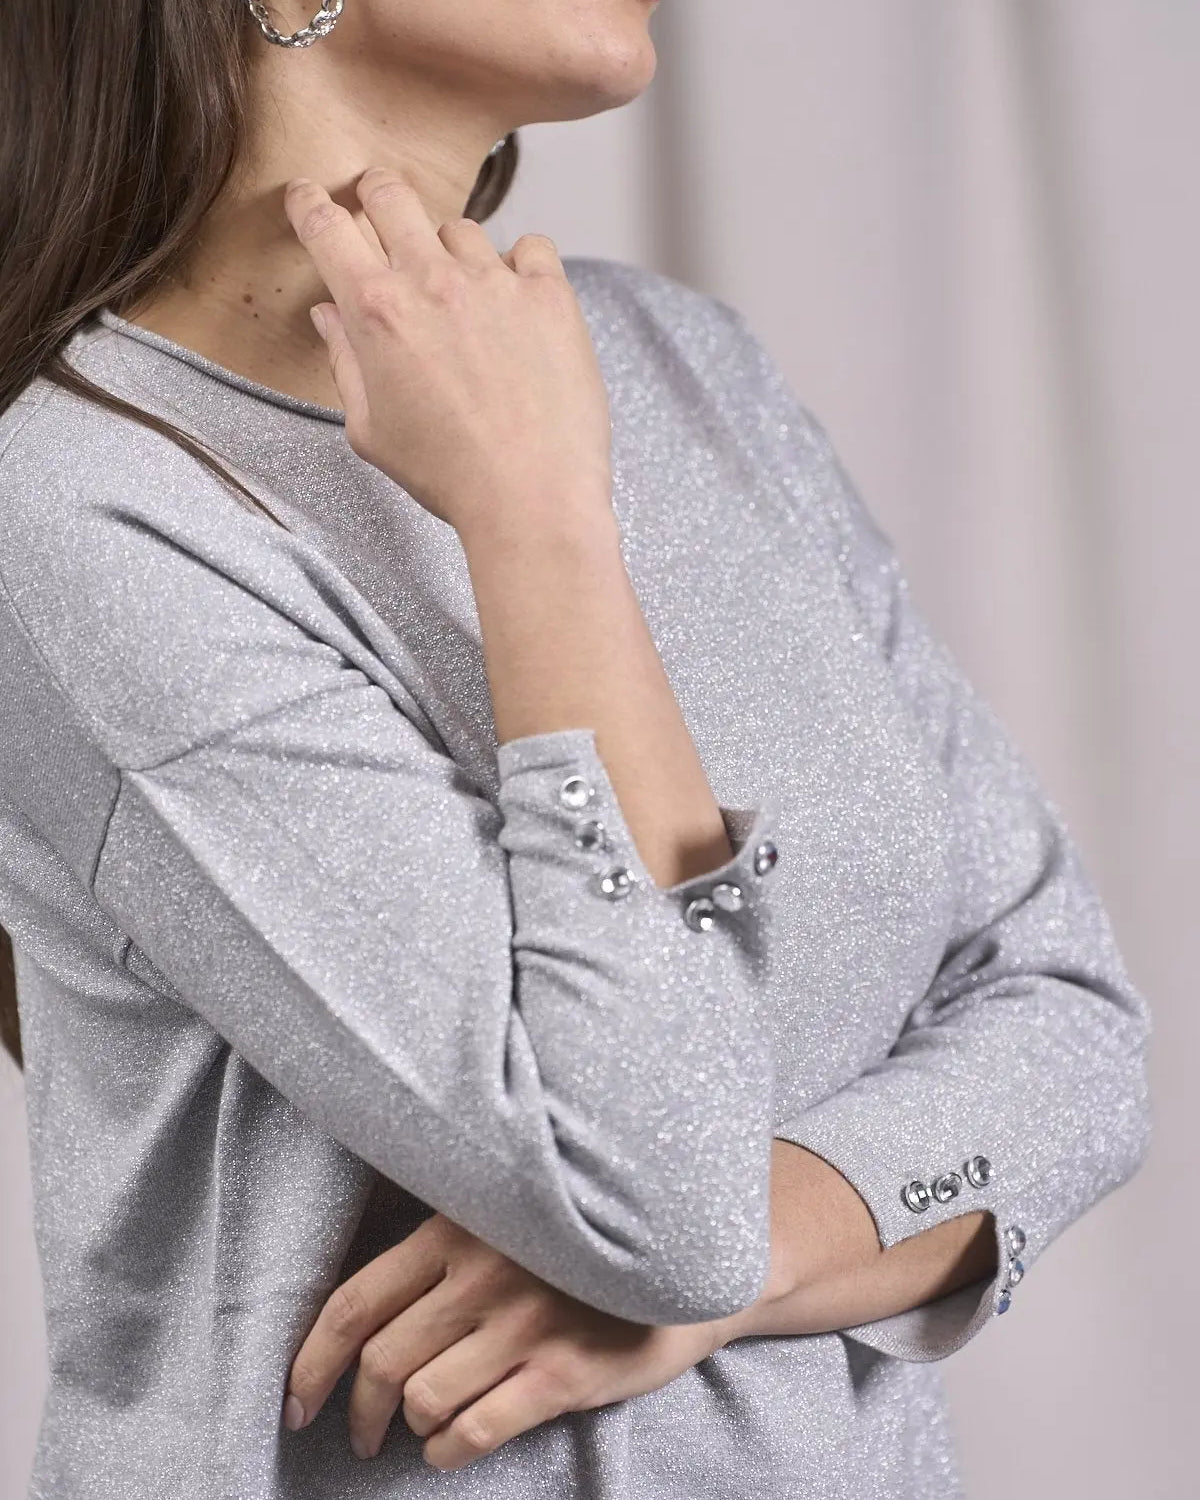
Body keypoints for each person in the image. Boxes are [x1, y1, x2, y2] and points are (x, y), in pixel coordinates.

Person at [0, 1, 1151, 1496]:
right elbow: (652, 1198)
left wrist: (767, 1248)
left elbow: (1073, 1025)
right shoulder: (92, 510)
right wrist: (537, 526)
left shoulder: (683, 362)